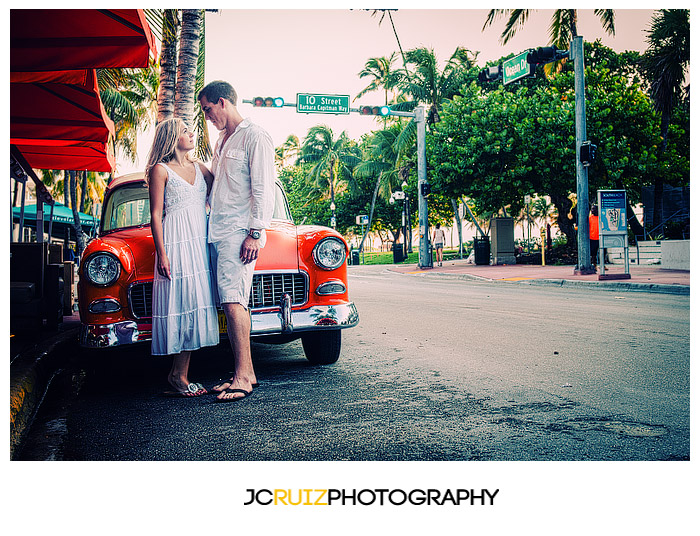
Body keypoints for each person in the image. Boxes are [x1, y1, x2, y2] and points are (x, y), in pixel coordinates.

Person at [198, 80, 275, 402]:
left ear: (222, 102)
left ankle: (244, 375)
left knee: (234, 301)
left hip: (239, 232)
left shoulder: (255, 136)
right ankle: (241, 372)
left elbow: (263, 188)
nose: (207, 117)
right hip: (217, 230)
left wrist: (255, 232)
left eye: (207, 110)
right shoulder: (221, 141)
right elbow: (218, 186)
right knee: (228, 301)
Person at [146, 117, 219, 397]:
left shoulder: (200, 167)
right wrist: (162, 254)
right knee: (180, 302)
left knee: (195, 302)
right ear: (173, 137)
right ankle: (178, 376)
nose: (191, 134)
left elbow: (221, 190)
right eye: (186, 131)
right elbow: (155, 214)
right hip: (175, 243)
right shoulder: (160, 170)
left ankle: (179, 373)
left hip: (199, 243)